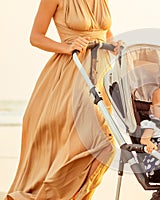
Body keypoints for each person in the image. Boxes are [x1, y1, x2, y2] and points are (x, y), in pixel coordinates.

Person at [5, 0, 122, 199]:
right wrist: (66, 47)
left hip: (101, 77)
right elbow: (35, 37)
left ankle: (76, 195)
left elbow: (105, 32)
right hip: (71, 73)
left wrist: (115, 44)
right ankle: (52, 194)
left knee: (102, 143)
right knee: (89, 142)